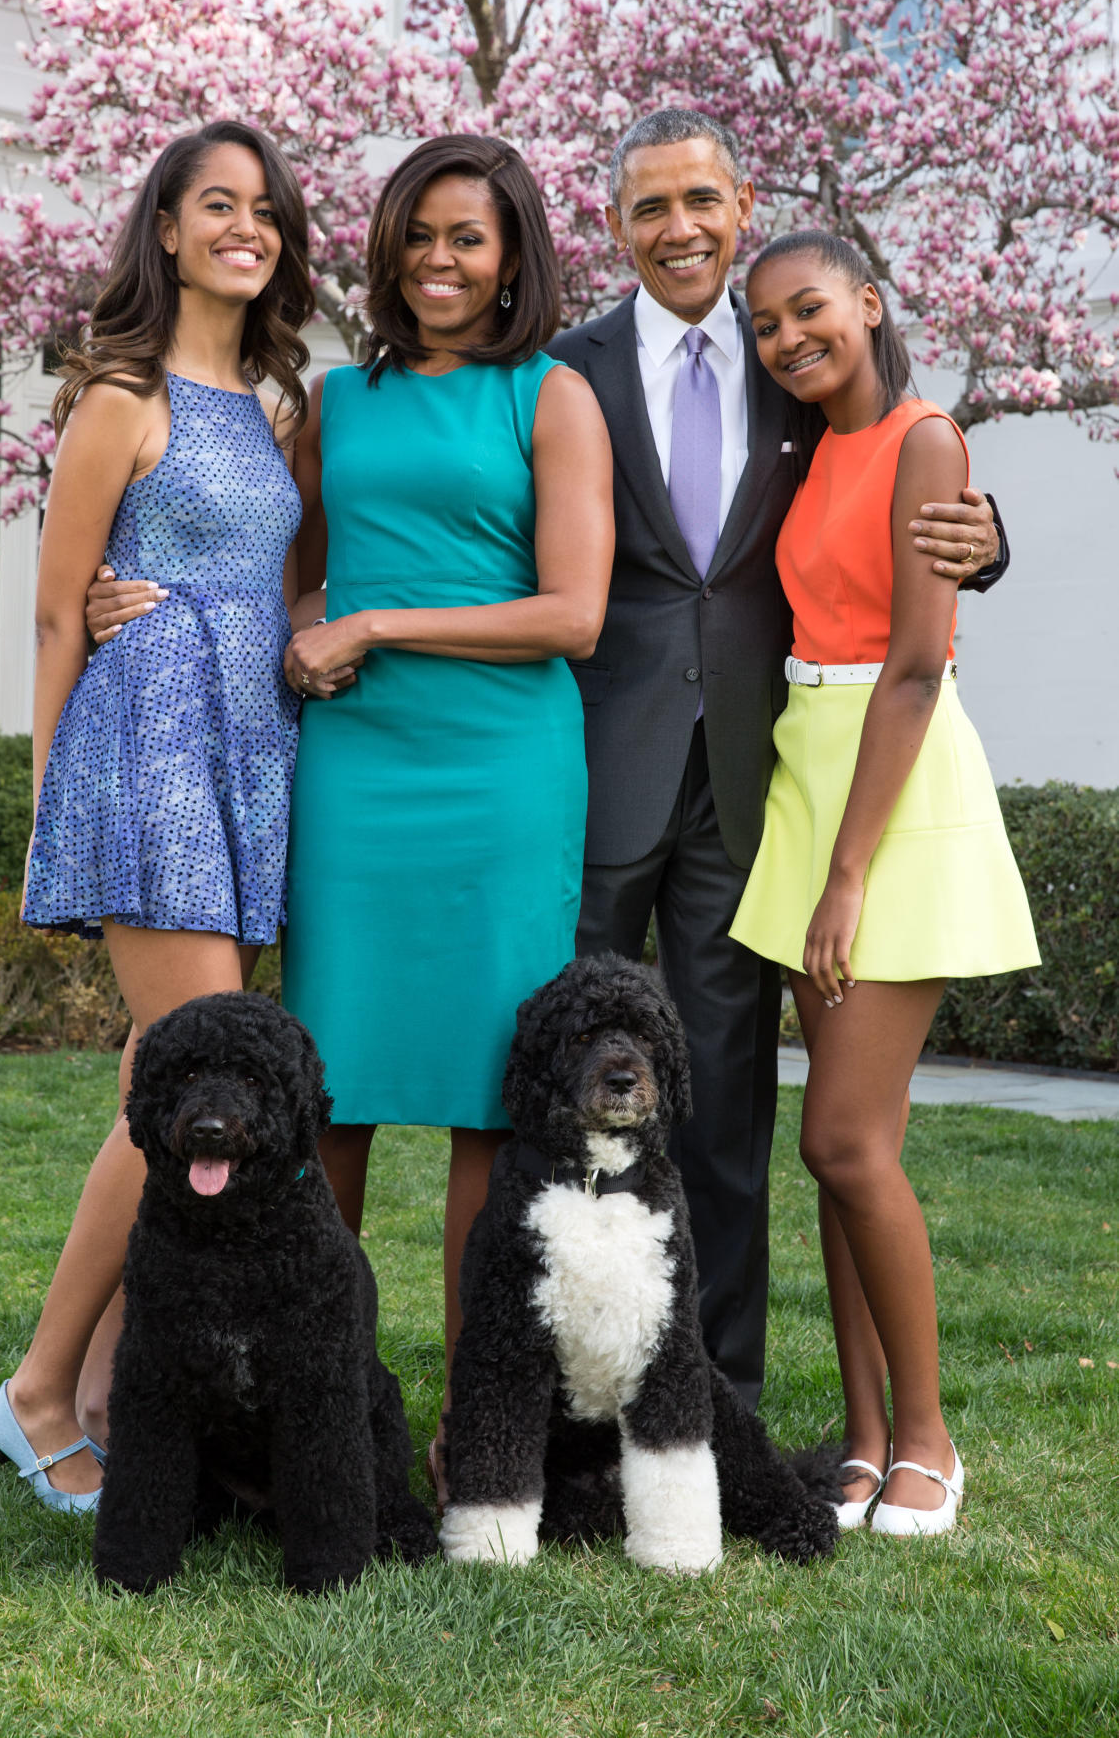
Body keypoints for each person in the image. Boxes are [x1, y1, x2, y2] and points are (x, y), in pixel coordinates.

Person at [545, 109, 1006, 1407]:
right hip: (597, 771)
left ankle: (718, 1401)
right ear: (616, 226)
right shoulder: (566, 370)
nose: (676, 228)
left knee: (729, 1111)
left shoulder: (789, 354)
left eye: (698, 200)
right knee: (559, 1094)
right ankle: (569, 1386)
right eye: (647, 208)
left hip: (758, 793)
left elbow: (900, 479)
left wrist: (984, 535)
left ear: (740, 206)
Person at [0, 121, 314, 1509]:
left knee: (162, 1074)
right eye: (215, 205)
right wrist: (54, 796)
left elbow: (280, 583)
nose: (245, 227)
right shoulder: (119, 395)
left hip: (254, 746)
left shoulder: (282, 403)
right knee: (177, 1072)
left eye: (265, 210)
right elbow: (61, 607)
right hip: (147, 745)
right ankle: (42, 1391)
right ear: (167, 230)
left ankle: (111, 1386)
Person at [281, 135, 613, 1498]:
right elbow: (289, 582)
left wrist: (377, 621)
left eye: (465, 237)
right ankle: (317, 1427)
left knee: (492, 1103)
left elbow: (573, 616)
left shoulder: (553, 397)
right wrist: (306, 627)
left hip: (499, 772)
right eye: (416, 234)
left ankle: (475, 1440)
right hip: (357, 773)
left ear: (512, 255)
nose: (436, 259)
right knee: (325, 1093)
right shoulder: (334, 400)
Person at [730, 230, 1038, 1532]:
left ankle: (925, 1439)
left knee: (840, 1138)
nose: (789, 339)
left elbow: (914, 666)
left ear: (868, 302)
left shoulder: (924, 436)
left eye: (810, 312)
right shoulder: (804, 447)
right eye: (764, 327)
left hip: (889, 785)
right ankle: (859, 1440)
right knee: (848, 1152)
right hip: (805, 767)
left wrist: (845, 876)